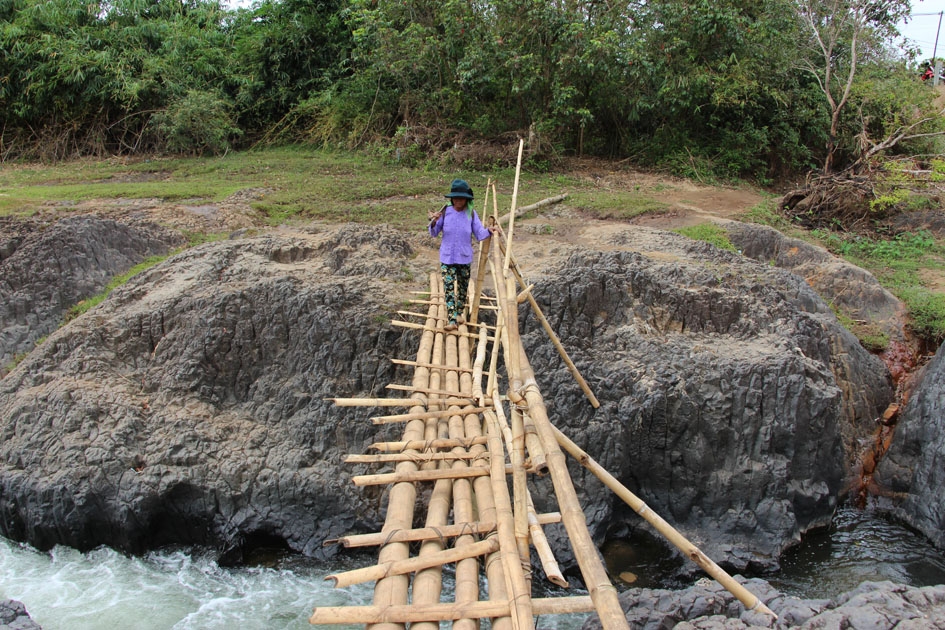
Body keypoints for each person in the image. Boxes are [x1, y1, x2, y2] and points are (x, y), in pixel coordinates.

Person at [428, 179, 496, 331]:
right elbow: (434, 232)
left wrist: (489, 231)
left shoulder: (471, 213)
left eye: (461, 198)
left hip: (464, 257)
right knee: (449, 287)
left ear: (466, 199)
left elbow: (479, 233)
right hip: (447, 258)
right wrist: (434, 221)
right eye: (455, 198)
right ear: (452, 198)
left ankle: (459, 312)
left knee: (463, 287)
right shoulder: (445, 212)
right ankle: (452, 320)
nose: (458, 201)